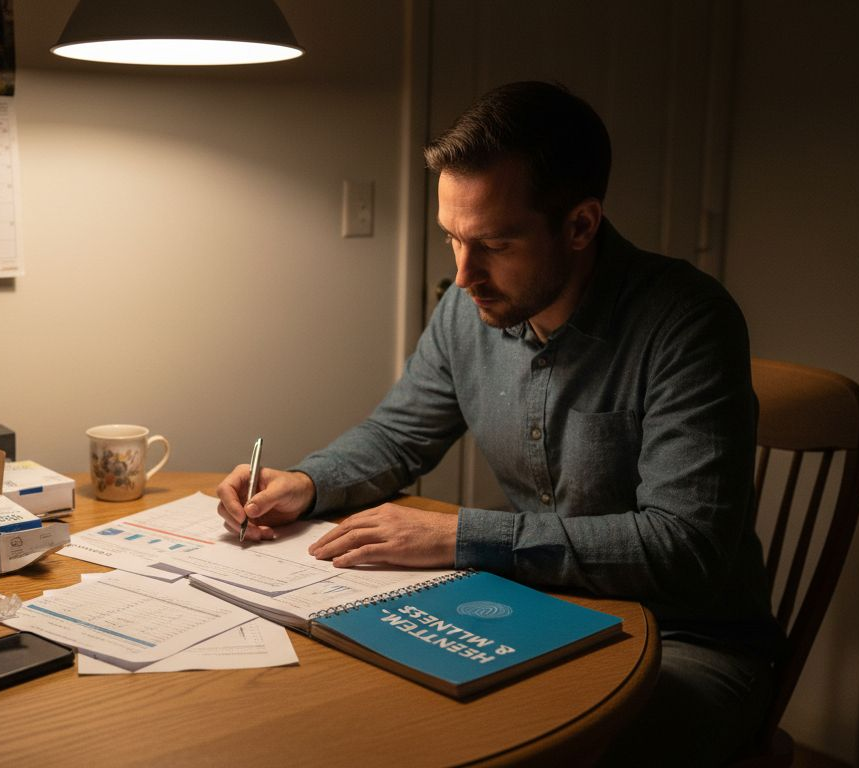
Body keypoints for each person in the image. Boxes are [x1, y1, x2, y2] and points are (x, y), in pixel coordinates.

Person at [215, 81, 781, 767]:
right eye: (452, 239)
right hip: (536, 610)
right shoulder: (469, 311)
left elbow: (684, 546)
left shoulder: (687, 323)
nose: (463, 276)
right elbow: (398, 435)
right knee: (363, 712)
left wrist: (461, 537)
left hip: (690, 642)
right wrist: (306, 482)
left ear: (580, 225)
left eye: (494, 244)